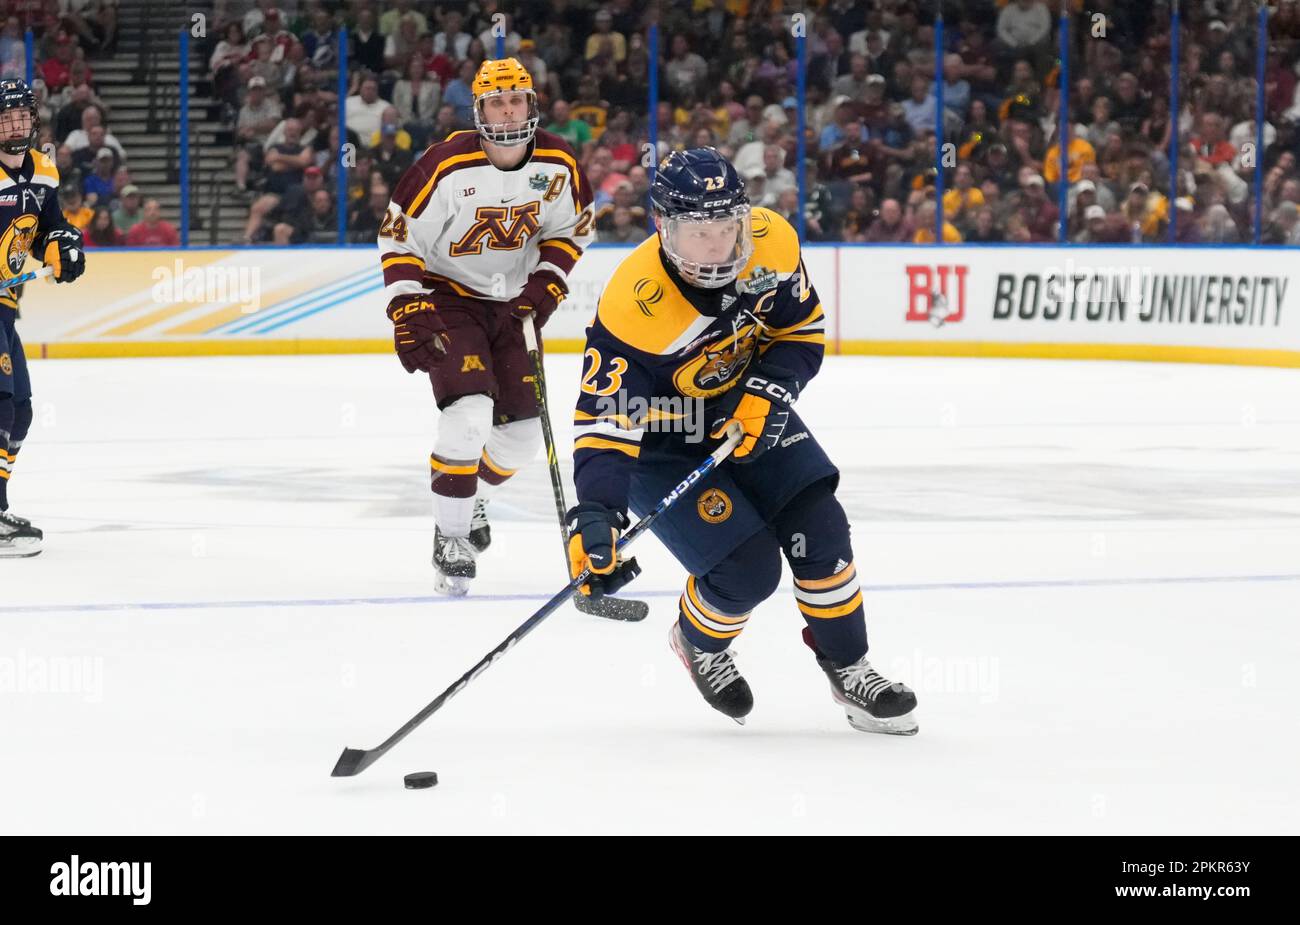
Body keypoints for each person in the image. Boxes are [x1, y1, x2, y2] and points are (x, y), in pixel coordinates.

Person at [564, 148, 919, 734]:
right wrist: (597, 512)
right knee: (747, 573)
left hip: (746, 410)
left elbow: (800, 330)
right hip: (663, 436)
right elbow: (607, 418)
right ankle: (697, 641)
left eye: (726, 228)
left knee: (822, 530)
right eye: (699, 233)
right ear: (663, 226)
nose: (718, 247)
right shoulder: (635, 303)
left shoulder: (771, 243)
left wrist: (770, 390)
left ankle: (851, 669)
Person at [378, 58, 595, 595]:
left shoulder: (558, 162)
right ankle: (450, 537)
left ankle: (470, 497)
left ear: (532, 105)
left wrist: (547, 282)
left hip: (513, 306)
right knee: (470, 414)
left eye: (516, 99)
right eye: (496, 101)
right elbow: (397, 236)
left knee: (522, 433)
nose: (507, 109)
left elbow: (574, 229)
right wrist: (405, 305)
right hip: (449, 298)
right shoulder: (444, 165)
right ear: (479, 110)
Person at [0, 79, 87, 556]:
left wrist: (62, 247)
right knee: (2, 402)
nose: (15, 124)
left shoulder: (43, 173)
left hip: (7, 306)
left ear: (33, 120)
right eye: (5, 117)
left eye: (21, 116)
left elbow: (46, 229)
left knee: (22, 410)